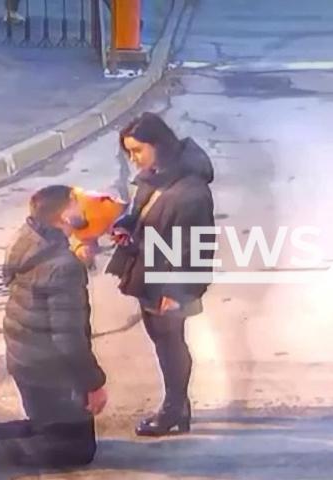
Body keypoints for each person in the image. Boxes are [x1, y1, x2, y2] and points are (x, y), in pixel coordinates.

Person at [0, 186, 107, 480]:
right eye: (77, 203)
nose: (84, 208)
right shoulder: (63, 266)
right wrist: (93, 383)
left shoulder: (28, 239)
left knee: (48, 426)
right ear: (64, 215)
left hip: (25, 356)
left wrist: (78, 252)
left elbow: (48, 278)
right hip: (50, 368)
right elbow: (68, 338)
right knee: (76, 449)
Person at [106, 112, 215, 437]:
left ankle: (174, 410)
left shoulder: (191, 191)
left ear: (159, 145)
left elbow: (195, 248)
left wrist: (176, 291)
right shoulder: (154, 176)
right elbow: (142, 215)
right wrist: (125, 226)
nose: (133, 158)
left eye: (137, 150)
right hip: (148, 273)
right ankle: (177, 405)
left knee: (171, 344)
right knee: (163, 342)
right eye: (128, 152)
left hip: (170, 282)